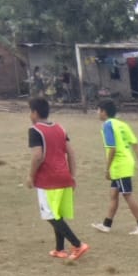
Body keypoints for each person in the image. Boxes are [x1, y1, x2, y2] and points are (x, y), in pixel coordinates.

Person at [26, 95, 88, 262]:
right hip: (64, 177)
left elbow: (37, 156)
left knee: (50, 215)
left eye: (30, 112)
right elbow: (71, 153)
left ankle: (77, 244)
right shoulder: (60, 128)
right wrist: (72, 176)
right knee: (57, 213)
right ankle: (60, 249)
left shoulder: (35, 130)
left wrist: (31, 176)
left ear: (35, 113)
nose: (30, 115)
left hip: (48, 180)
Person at [92, 98, 138, 235]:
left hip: (119, 165)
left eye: (98, 110)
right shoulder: (122, 124)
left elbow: (112, 148)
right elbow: (135, 144)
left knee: (127, 195)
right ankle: (106, 225)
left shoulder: (107, 125)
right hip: (125, 162)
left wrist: (107, 169)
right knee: (113, 194)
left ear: (104, 112)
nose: (97, 113)